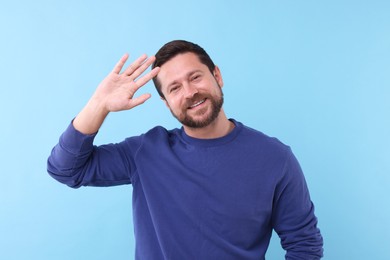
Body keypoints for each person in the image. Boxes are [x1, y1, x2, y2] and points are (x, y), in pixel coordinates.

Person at [47, 40, 323, 259]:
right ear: (167, 103)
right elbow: (66, 169)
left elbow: (304, 244)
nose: (189, 92)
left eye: (196, 77)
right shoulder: (146, 152)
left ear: (217, 75)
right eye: (175, 88)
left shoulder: (275, 158)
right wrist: (99, 104)